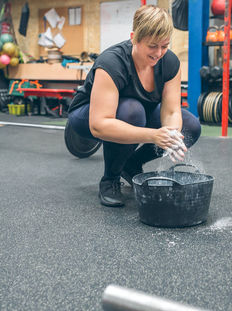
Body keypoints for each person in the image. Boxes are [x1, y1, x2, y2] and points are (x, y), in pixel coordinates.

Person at [68, 5, 201, 208]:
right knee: (132, 111)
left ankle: (130, 164)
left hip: (137, 113)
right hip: (88, 116)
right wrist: (153, 136)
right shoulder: (112, 62)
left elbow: (172, 111)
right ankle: (110, 179)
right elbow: (99, 125)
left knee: (189, 126)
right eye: (152, 46)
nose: (159, 53)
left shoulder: (170, 62)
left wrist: (171, 135)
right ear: (134, 38)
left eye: (164, 46)